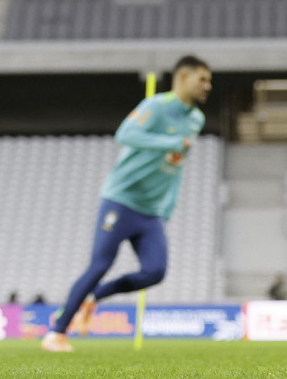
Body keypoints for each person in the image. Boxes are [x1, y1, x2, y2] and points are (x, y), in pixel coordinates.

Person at [41, 56, 212, 353]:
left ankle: (94, 297)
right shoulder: (156, 106)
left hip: (152, 211)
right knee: (100, 265)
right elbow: (126, 134)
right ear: (184, 77)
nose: (207, 86)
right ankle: (56, 333)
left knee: (155, 271)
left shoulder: (196, 119)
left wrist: (168, 205)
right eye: (203, 79)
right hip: (121, 200)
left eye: (209, 81)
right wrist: (170, 142)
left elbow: (177, 165)